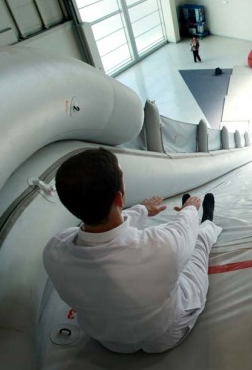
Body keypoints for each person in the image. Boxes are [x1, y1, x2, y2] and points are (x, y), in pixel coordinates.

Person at [43, 148, 222, 353]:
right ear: (120, 199)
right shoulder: (163, 246)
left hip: (109, 340)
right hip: (165, 334)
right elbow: (183, 233)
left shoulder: (54, 252)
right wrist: (190, 208)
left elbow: (109, 231)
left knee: (166, 236)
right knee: (196, 246)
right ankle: (208, 222)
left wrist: (143, 210)